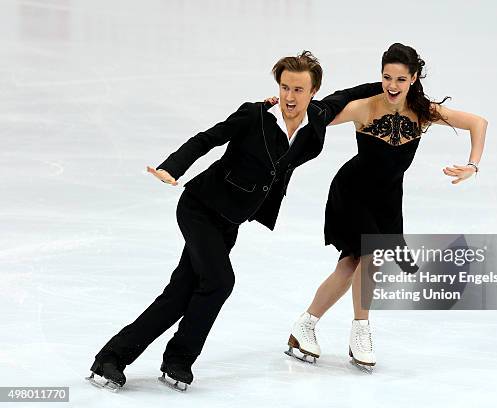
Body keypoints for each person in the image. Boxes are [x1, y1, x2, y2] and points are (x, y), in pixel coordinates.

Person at [87, 51, 381, 391]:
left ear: (313, 91)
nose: (289, 96)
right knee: (219, 281)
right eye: (285, 87)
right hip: (199, 208)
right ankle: (179, 360)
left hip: (230, 221)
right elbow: (208, 138)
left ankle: (112, 359)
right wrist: (172, 166)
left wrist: (396, 88)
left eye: (298, 89)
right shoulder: (254, 115)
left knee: (181, 293)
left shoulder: (317, 118)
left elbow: (349, 94)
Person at [285, 43, 488, 371]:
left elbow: (478, 123)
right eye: (386, 77)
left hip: (388, 198)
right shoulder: (365, 107)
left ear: (414, 78)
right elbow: (314, 115)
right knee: (369, 256)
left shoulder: (424, 112)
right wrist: (289, 102)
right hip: (352, 191)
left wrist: (472, 165)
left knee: (350, 264)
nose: (392, 85)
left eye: (400, 79)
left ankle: (305, 325)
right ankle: (360, 330)